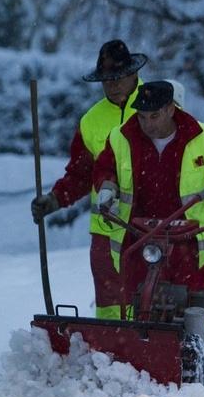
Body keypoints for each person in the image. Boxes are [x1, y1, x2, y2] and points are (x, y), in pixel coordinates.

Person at [92, 81, 204, 319]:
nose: (147, 124)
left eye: (154, 116)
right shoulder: (121, 138)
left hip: (188, 244)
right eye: (142, 117)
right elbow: (106, 169)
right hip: (138, 239)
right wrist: (107, 189)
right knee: (137, 304)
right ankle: (133, 350)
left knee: (191, 307)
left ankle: (191, 347)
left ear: (170, 109)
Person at [30, 39, 147, 316]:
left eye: (119, 77)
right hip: (106, 230)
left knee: (147, 301)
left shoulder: (157, 106)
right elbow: (81, 174)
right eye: (107, 79)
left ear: (133, 73)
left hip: (150, 226)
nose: (113, 84)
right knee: (109, 305)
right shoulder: (91, 121)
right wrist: (55, 199)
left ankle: (148, 353)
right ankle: (109, 354)